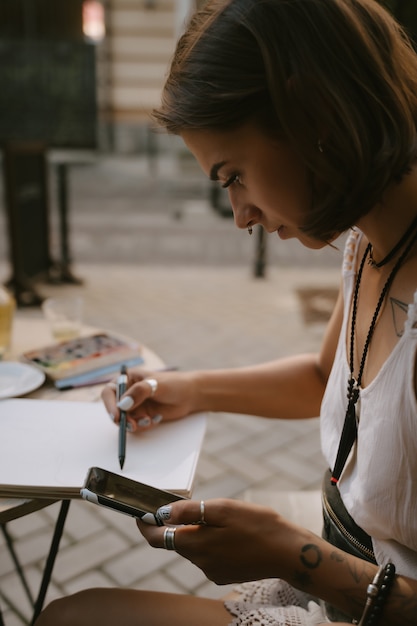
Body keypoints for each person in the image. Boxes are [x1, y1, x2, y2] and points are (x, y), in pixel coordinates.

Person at [35, 0, 417, 624]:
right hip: (346, 571)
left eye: (233, 175)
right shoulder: (370, 244)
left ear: (311, 114)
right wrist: (188, 390)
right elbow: (329, 378)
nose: (240, 217)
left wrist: (291, 554)